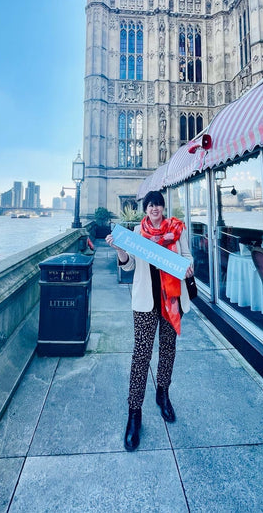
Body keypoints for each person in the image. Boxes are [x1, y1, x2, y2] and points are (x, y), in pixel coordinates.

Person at [106, 190, 194, 451]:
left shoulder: (177, 229)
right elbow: (128, 265)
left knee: (168, 349)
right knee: (141, 355)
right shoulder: (135, 233)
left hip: (171, 299)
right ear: (145, 209)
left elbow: (187, 257)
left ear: (163, 207)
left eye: (158, 204)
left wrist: (189, 266)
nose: (155, 208)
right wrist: (120, 250)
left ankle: (163, 393)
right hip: (146, 301)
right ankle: (135, 412)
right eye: (150, 205)